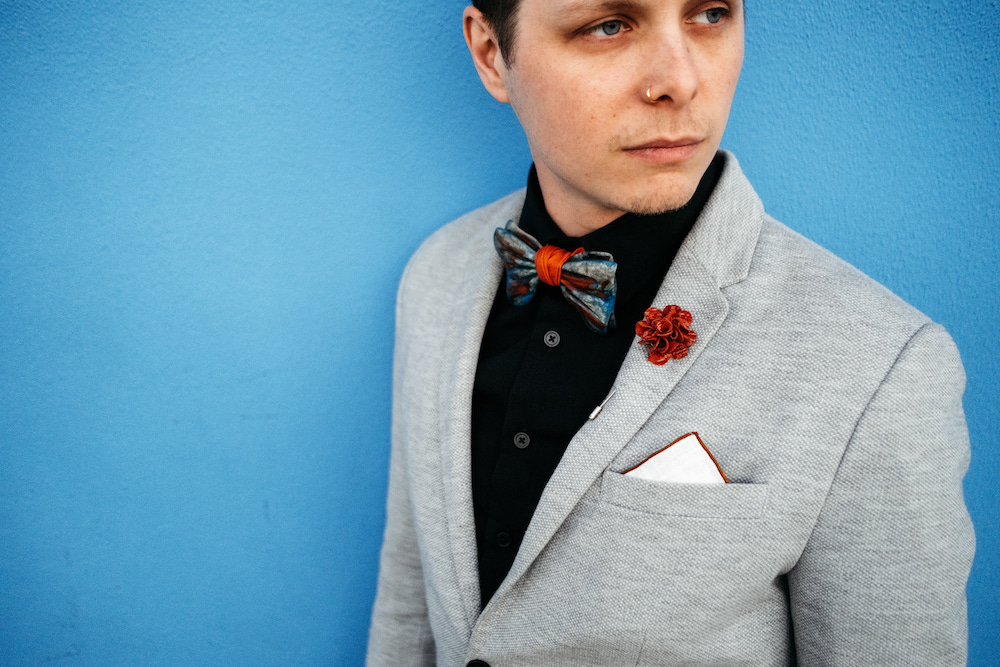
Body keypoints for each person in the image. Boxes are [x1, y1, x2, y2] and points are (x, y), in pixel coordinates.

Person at [366, 0, 975, 664]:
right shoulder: (436, 277)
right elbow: (407, 612)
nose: (680, 82)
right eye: (608, 25)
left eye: (710, 14)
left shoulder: (880, 364)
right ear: (491, 54)